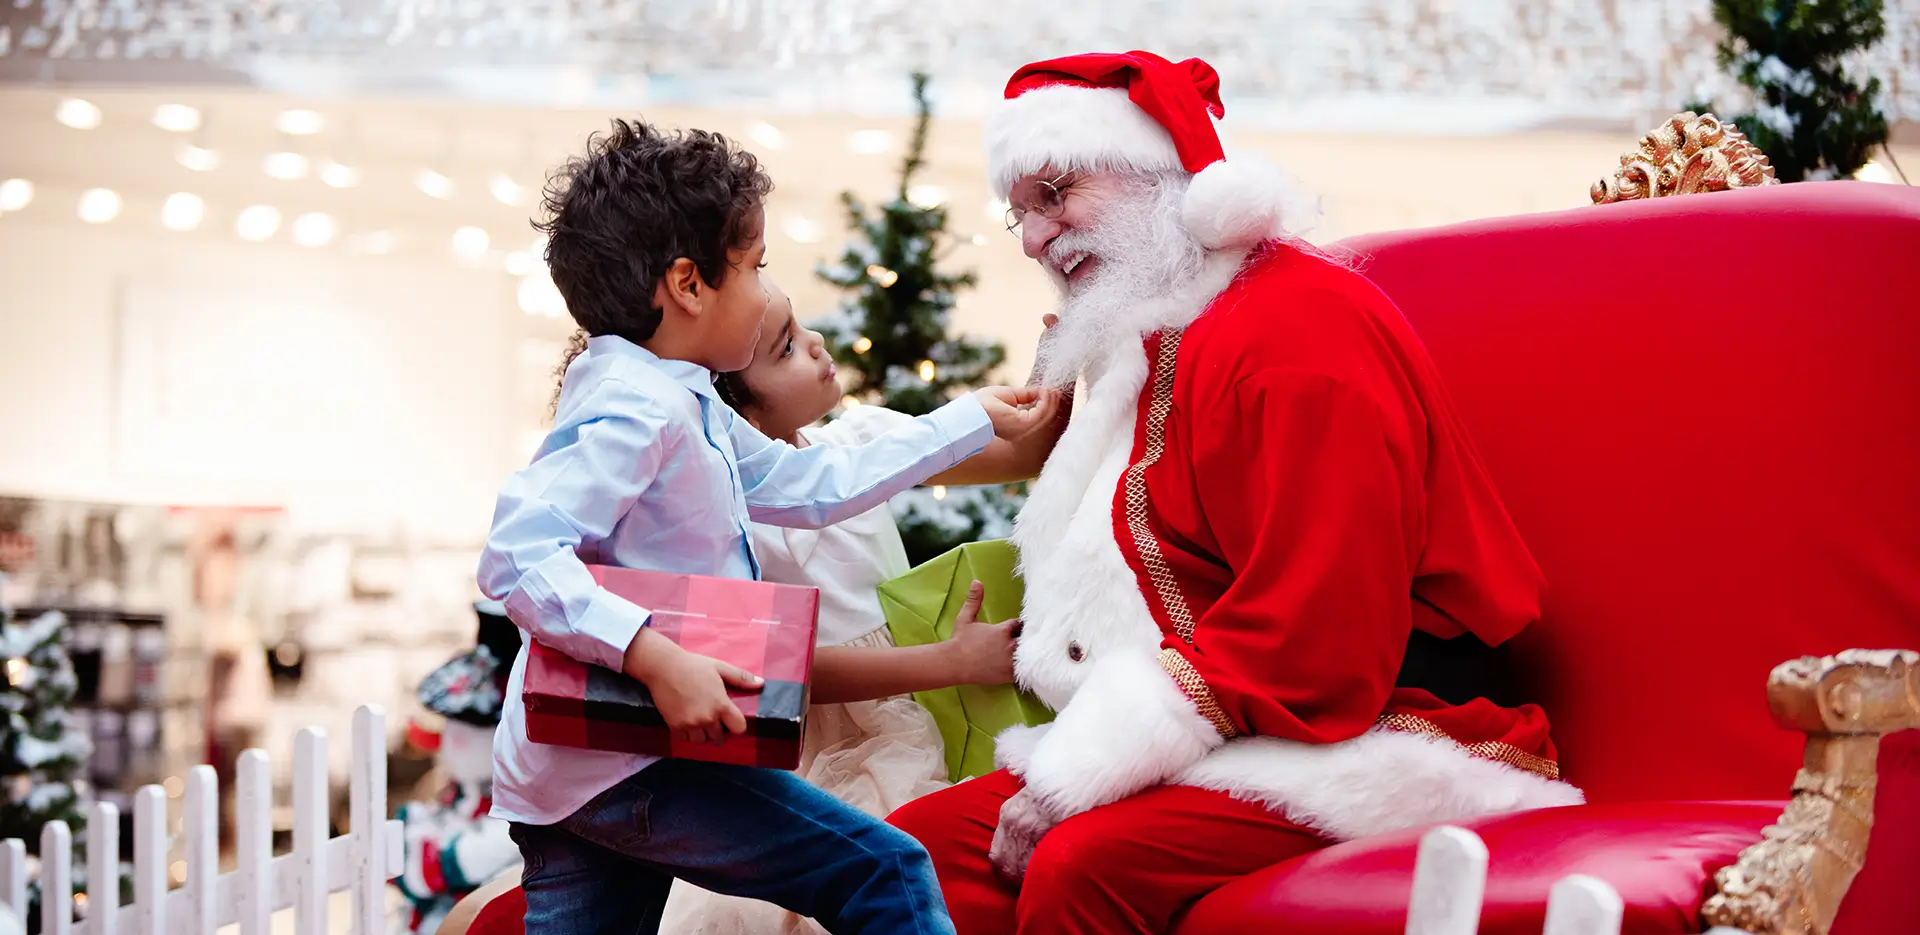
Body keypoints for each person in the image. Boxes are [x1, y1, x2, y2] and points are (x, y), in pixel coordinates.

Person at [885, 51, 1584, 935]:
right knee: (916, 851)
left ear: (1162, 179)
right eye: (1017, 212)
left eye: (1056, 193)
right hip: (1238, 716)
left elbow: (1321, 637)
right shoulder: (1167, 321)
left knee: (1080, 863)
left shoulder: (1298, 337)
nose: (1031, 239)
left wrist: (1084, 768)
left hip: (1390, 728)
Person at [477, 119, 1059, 935]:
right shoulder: (634, 409)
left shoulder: (674, 396)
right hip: (638, 762)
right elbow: (518, 553)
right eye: (751, 266)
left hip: (575, 770)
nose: (763, 286)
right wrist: (659, 657)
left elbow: (804, 479)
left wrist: (966, 418)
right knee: (886, 866)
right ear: (687, 284)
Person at [656, 279, 1042, 934]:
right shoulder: (726, 515)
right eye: (785, 350)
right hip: (825, 748)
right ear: (738, 417)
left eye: (799, 329)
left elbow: (1026, 448)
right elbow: (781, 672)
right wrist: (947, 660)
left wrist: (1054, 372)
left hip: (934, 707)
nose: (817, 343)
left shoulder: (858, 438)